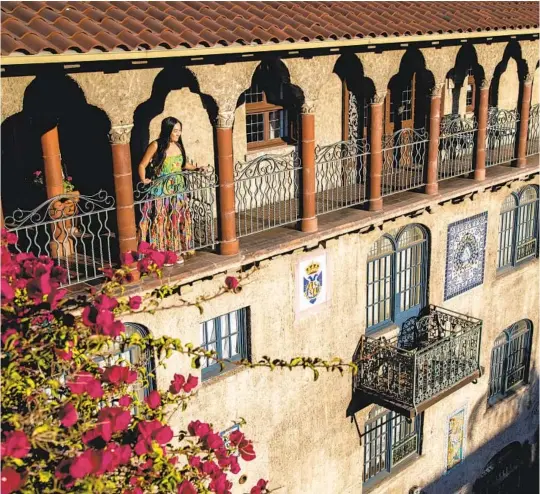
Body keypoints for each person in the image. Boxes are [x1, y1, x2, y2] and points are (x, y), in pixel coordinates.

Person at [138, 117, 201, 264]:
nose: (178, 134)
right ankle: (161, 253)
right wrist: (144, 179)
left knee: (176, 219)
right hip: (161, 189)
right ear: (168, 130)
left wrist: (197, 168)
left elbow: (183, 164)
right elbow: (142, 164)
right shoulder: (156, 145)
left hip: (178, 189)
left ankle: (176, 251)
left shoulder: (179, 145)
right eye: (176, 131)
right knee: (161, 221)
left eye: (180, 131)